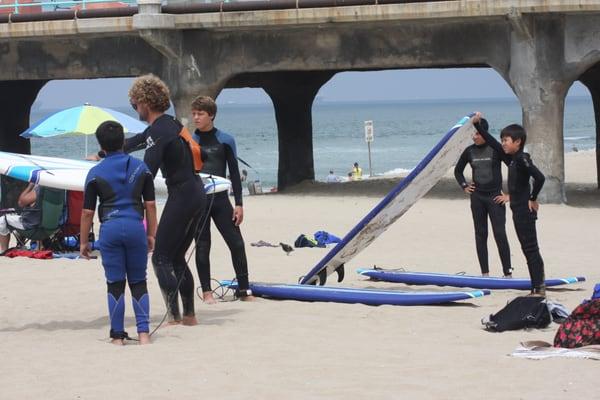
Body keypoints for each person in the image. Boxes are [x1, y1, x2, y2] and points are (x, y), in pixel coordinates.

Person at [90, 74, 207, 325]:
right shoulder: (169, 124)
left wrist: (116, 183)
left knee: (161, 258)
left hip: (183, 195)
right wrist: (104, 153)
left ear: (144, 102)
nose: (135, 109)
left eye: (134, 104)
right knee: (175, 257)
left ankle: (174, 318)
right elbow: (136, 141)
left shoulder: (159, 131)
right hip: (197, 192)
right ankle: (189, 316)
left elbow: (146, 171)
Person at [80, 121, 157, 345]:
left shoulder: (94, 173)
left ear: (101, 145)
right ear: (123, 141)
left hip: (110, 230)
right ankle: (143, 334)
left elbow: (87, 212)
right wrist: (152, 234)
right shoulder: (142, 168)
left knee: (115, 283)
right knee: (138, 281)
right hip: (135, 228)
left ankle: (117, 336)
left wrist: (84, 242)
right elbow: (150, 206)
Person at [473, 112, 547, 296]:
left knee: (531, 249)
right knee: (527, 249)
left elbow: (540, 177)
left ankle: (539, 288)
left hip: (524, 210)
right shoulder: (512, 160)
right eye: (503, 140)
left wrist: (533, 198)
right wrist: (478, 125)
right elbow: (492, 143)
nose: (503, 143)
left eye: (506, 140)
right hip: (518, 210)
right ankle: (536, 287)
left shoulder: (521, 158)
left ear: (518, 142)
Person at [190, 95, 254, 303]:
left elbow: (234, 173)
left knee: (236, 243)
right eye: (194, 114)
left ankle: (244, 290)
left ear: (211, 115)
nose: (196, 118)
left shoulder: (226, 140)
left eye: (200, 114)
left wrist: (239, 204)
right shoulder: (191, 141)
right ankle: (207, 292)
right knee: (202, 245)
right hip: (198, 202)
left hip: (220, 201)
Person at [454, 118, 512, 277]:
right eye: (473, 134)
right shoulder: (469, 151)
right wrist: (464, 186)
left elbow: (515, 170)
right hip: (477, 198)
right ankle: (485, 274)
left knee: (500, 234)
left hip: (495, 198)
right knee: (480, 234)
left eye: (478, 134)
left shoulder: (496, 149)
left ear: (485, 134)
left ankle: (508, 273)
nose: (474, 137)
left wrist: (509, 195)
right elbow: (458, 171)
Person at [0, 183, 40, 253]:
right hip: (52, 227)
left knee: (2, 220)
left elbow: (21, 202)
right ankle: (39, 245)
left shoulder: (40, 189)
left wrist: (30, 186)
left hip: (32, 226)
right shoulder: (59, 189)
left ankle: (4, 250)